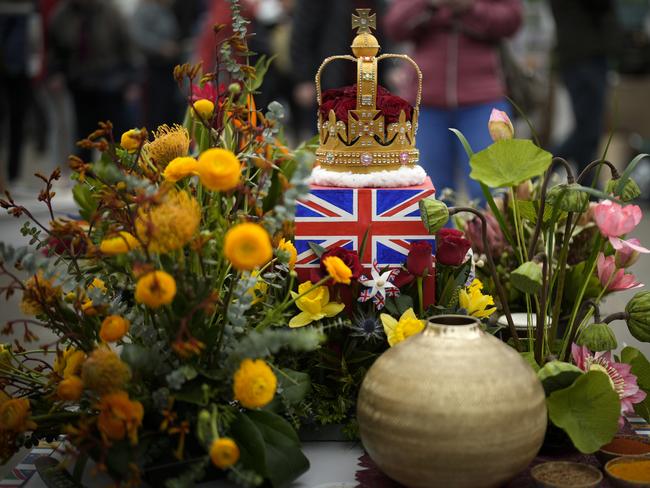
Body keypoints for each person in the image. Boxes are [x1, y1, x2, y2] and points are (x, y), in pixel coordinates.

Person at [384, 0, 522, 200]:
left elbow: (512, 20)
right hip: (426, 102)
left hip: (483, 99)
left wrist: (469, 7)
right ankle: (439, 234)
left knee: (493, 190)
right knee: (428, 194)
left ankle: (489, 232)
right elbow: (395, 25)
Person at [47, 0, 138, 162]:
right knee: (83, 139)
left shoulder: (110, 12)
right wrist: (56, 73)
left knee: (115, 138)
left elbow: (128, 47)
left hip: (111, 85)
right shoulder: (62, 15)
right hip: (80, 86)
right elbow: (54, 50)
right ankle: (85, 179)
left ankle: (119, 178)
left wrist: (131, 80)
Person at [549, 0, 620, 174]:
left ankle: (587, 194)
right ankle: (538, 170)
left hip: (582, 55)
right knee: (588, 132)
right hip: (584, 56)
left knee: (589, 134)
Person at [131, 0, 184, 132]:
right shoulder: (145, 9)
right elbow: (137, 36)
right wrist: (161, 47)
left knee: (169, 112)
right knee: (155, 114)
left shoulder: (166, 9)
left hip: (170, 70)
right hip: (153, 69)